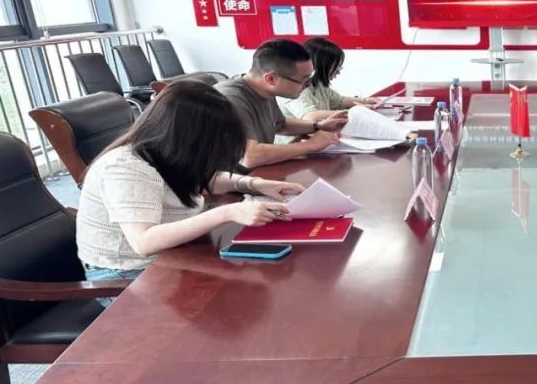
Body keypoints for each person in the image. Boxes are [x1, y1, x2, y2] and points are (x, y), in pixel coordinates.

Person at [77, 81, 304, 282]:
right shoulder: (126, 168)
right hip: (130, 274)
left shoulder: (163, 152)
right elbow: (144, 242)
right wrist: (228, 213)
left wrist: (255, 184)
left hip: (176, 254)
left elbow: (204, 178)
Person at [215, 38, 348, 168]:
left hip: (257, 172)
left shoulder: (264, 89)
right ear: (271, 78)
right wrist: (311, 145)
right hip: (231, 178)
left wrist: (318, 126)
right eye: (303, 80)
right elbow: (250, 157)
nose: (307, 85)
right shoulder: (231, 98)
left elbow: (281, 125)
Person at [283, 37, 381, 122]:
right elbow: (311, 116)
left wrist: (365, 101)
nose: (338, 72)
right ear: (321, 65)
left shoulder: (317, 84)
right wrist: (353, 112)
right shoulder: (294, 88)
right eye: (336, 67)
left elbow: (339, 101)